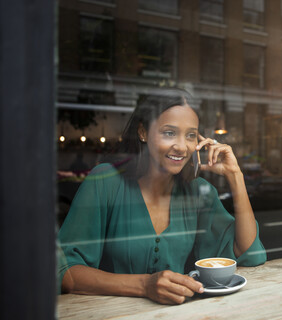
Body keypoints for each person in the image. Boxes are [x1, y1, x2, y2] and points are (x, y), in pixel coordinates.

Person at [57, 88, 267, 305]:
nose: (181, 146)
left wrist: (235, 175)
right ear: (143, 132)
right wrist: (145, 285)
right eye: (169, 133)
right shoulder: (105, 182)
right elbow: (65, 271)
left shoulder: (197, 191)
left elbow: (248, 253)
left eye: (190, 135)